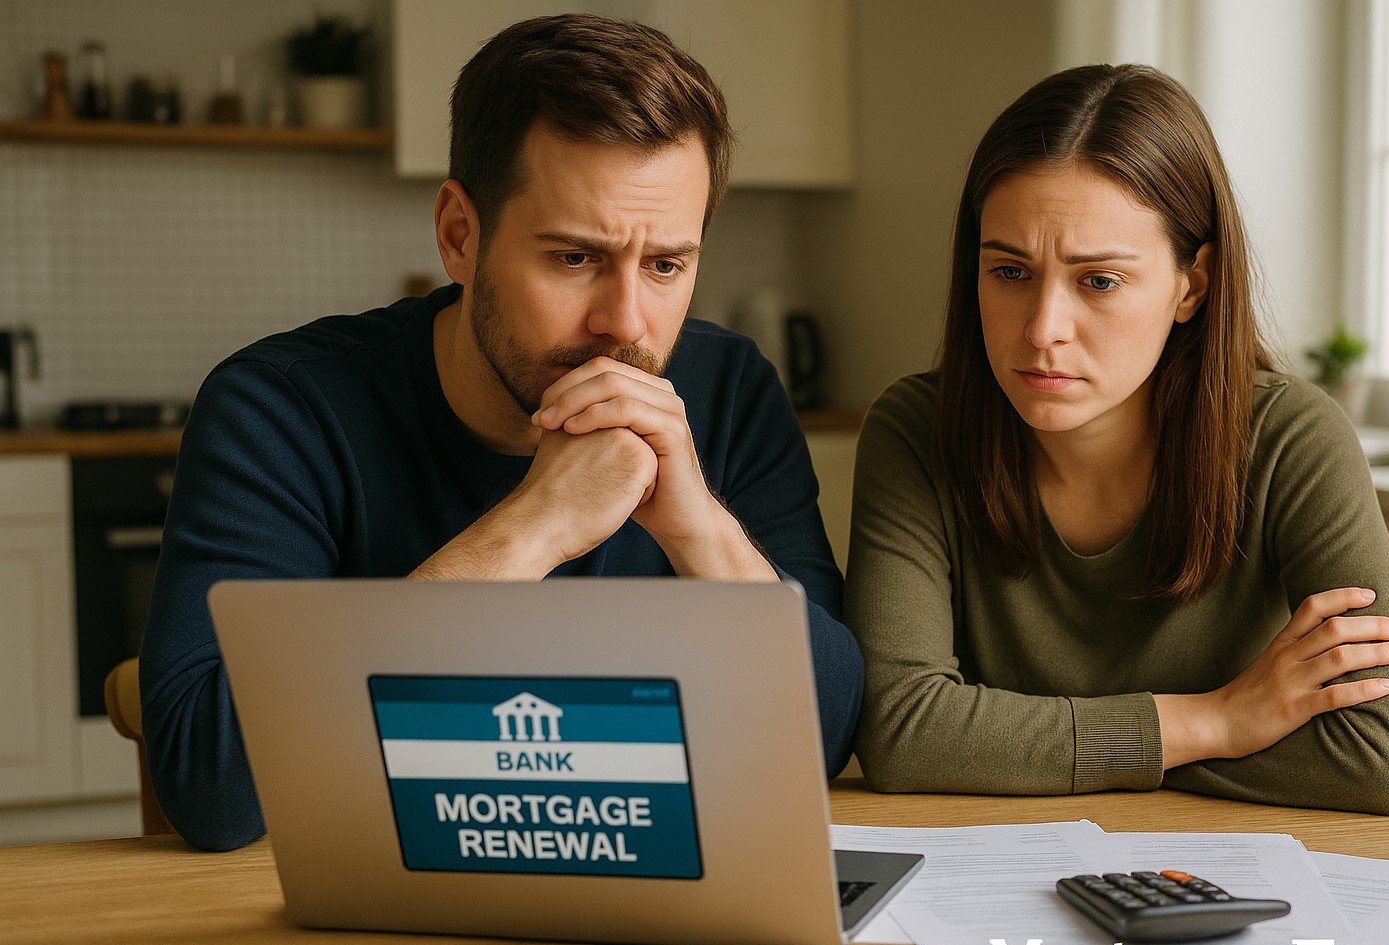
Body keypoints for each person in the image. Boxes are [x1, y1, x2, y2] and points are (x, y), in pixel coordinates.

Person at [140, 14, 862, 852]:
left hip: (644, 886)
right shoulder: (279, 409)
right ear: (459, 235)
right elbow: (212, 791)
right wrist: (532, 529)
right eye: (574, 259)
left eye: (666, 265)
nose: (626, 323)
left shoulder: (731, 391)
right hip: (372, 906)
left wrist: (700, 528)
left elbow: (824, 739)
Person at [847, 64, 1389, 815]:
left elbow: (1382, 759)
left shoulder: (1291, 439)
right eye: (1010, 272)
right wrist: (1216, 724)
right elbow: (901, 732)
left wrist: (1018, 747)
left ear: (1193, 284)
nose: (1043, 330)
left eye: (1100, 281)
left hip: (1229, 870)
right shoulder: (916, 431)